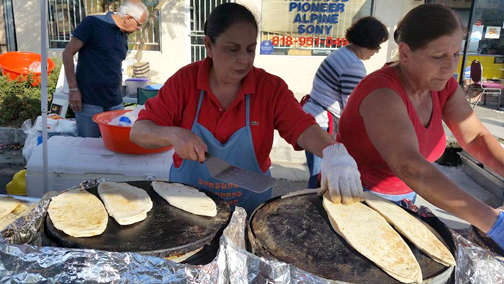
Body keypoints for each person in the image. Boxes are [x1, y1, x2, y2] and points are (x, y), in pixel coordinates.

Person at [130, 3, 362, 214]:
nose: (244, 60)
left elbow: (303, 128)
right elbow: (139, 131)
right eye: (233, 49)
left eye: (250, 49)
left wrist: (334, 151)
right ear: (209, 45)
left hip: (249, 207)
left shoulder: (270, 88)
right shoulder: (184, 82)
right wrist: (173, 134)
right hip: (187, 208)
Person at [337, 4, 504, 250]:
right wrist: (492, 222)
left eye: (456, 54)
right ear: (404, 53)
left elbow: (477, 136)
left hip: (406, 198)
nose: (450, 67)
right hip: (356, 201)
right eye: (438, 56)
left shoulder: (442, 85)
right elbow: (409, 166)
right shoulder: (381, 93)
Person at [303, 17, 388, 188]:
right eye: (377, 46)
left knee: (317, 176)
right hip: (324, 126)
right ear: (368, 42)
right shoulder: (353, 66)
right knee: (322, 180)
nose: (377, 52)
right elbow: (353, 109)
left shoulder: (341, 53)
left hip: (312, 119)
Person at [62, 1, 148, 137]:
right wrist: (73, 89)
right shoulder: (93, 23)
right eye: (139, 24)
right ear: (128, 18)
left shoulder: (124, 35)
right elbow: (67, 53)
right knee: (89, 148)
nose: (138, 28)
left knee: (115, 146)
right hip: (89, 101)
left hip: (115, 101)